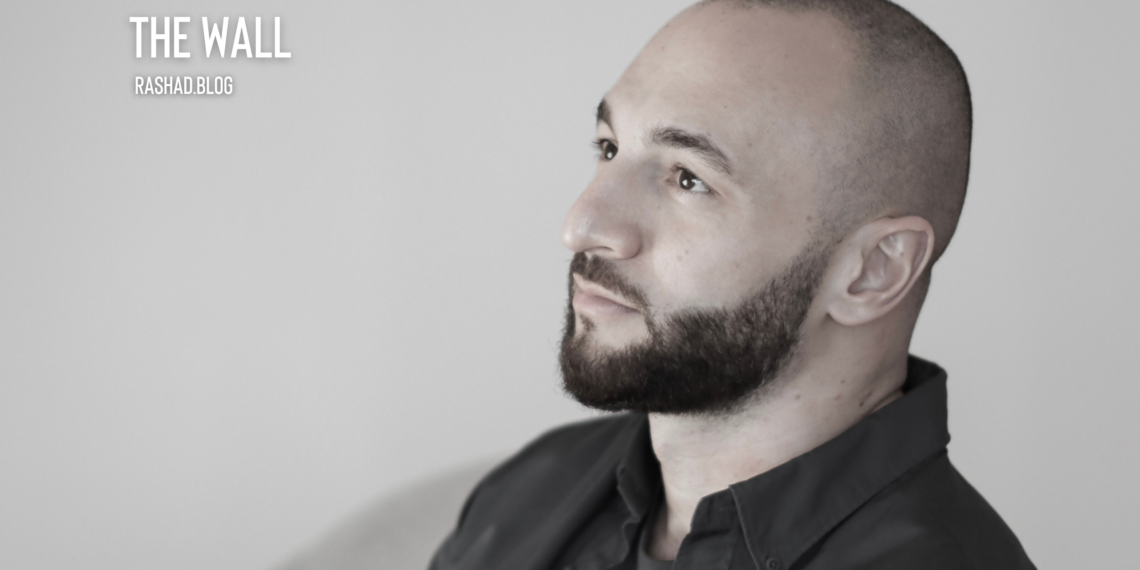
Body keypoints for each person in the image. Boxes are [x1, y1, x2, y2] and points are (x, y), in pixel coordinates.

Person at [430, 1, 1035, 568]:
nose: (581, 227)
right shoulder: (532, 489)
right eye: (609, 147)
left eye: (687, 179)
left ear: (873, 271)